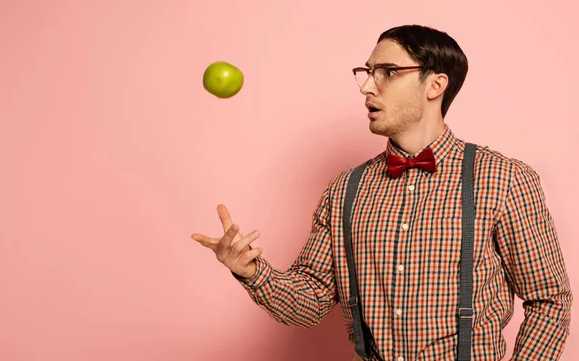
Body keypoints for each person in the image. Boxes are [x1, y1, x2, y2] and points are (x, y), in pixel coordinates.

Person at [191, 24, 573, 361]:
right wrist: (251, 271)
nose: (366, 86)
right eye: (367, 72)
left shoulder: (503, 179)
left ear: (435, 84)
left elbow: (550, 301)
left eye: (387, 72)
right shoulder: (345, 190)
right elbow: (309, 302)